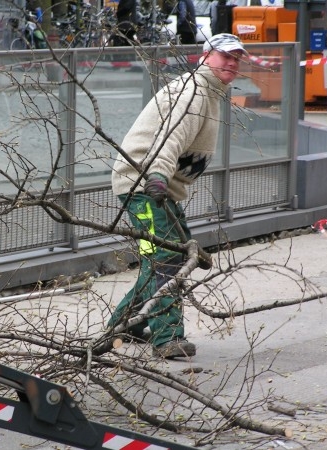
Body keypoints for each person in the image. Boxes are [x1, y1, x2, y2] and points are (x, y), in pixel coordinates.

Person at [109, 33, 247, 359]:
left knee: (166, 256)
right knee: (167, 260)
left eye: (237, 58)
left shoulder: (211, 91)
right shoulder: (193, 92)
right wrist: (157, 175)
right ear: (206, 56)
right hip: (143, 186)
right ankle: (167, 339)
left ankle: (123, 326)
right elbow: (168, 137)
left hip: (158, 190)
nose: (232, 62)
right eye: (225, 56)